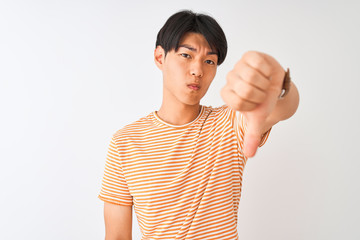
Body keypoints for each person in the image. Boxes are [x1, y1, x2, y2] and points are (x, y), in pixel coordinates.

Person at [98, 10, 299, 240]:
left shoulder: (229, 124)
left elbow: (281, 107)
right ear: (159, 57)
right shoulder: (125, 142)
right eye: (186, 55)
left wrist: (280, 84)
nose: (198, 70)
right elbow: (116, 236)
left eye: (209, 61)